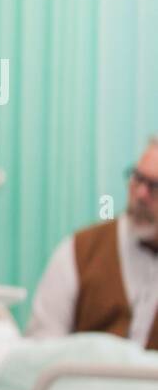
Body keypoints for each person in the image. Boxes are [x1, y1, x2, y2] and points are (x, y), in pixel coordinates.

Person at [27, 137, 158, 349]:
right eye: (137, 178)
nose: (141, 194)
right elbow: (41, 343)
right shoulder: (79, 250)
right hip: (82, 380)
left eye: (154, 186)